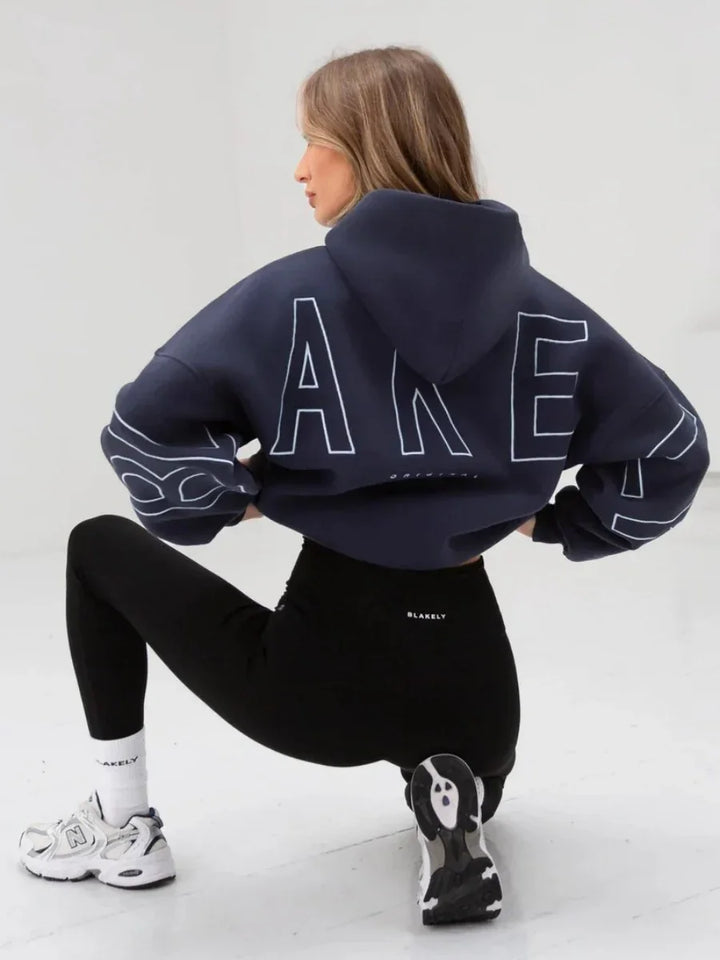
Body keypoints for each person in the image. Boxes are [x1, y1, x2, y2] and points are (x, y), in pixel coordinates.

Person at [18, 45, 710, 927]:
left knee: (93, 547)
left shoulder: (288, 298)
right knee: (467, 764)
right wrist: (563, 521)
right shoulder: (550, 311)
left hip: (318, 680)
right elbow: (674, 449)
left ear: (372, 150)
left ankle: (123, 825)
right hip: (477, 693)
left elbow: (142, 432)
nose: (300, 168)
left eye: (318, 142)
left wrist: (240, 496)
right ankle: (449, 794)